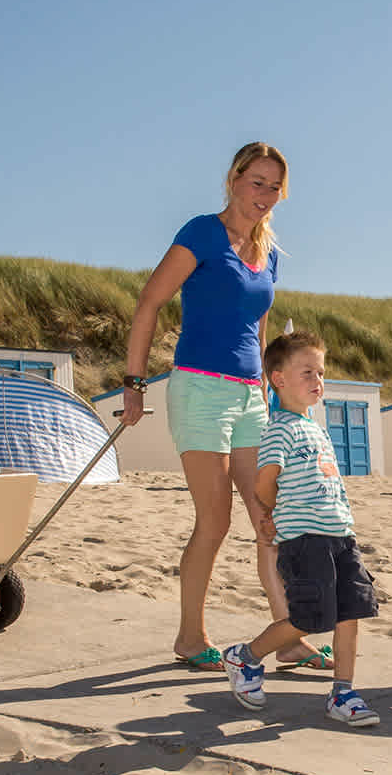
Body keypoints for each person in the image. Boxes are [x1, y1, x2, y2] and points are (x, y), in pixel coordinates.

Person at [120, 142, 326, 673]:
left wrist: (266, 383)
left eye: (274, 186)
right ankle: (191, 637)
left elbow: (257, 326)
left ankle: (288, 637)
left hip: (248, 393)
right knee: (215, 521)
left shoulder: (269, 252)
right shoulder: (202, 233)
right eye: (256, 182)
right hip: (199, 389)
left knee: (268, 517)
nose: (265, 194)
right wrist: (133, 382)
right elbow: (150, 301)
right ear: (234, 179)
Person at [219, 332, 379, 728]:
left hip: (340, 535)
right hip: (304, 539)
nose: (317, 380)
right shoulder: (280, 428)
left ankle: (344, 691)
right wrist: (270, 514)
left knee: (349, 612)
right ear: (278, 379)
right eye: (307, 372)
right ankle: (246, 656)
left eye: (321, 373)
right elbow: (264, 481)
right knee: (308, 617)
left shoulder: (317, 428)